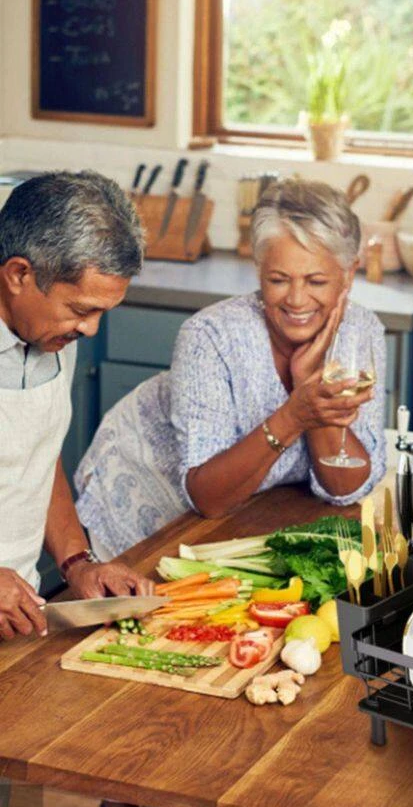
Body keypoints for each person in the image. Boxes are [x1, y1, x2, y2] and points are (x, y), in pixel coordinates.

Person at [75, 177, 386, 560]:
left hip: (242, 518)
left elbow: (347, 488)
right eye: (278, 279)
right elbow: (209, 499)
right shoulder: (210, 336)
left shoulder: (361, 331)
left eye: (316, 280)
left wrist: (309, 386)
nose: (297, 298)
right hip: (146, 493)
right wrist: (295, 414)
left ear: (349, 274)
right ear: (259, 270)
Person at [0, 170, 153, 639]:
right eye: (82, 310)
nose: (90, 330)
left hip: (18, 620)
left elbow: (38, 457)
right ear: (19, 275)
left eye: (102, 313)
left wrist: (78, 563)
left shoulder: (54, 334)